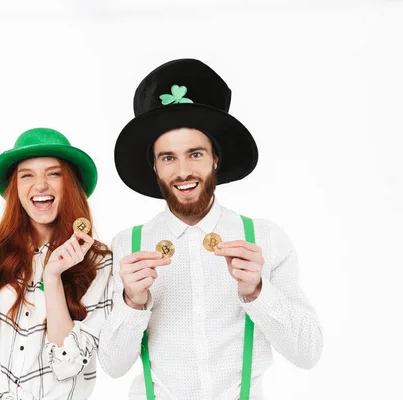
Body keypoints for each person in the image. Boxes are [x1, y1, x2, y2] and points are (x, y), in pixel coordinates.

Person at [98, 59, 323, 400]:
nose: (183, 171)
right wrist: (133, 301)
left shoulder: (265, 239)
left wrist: (257, 291)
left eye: (196, 154)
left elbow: (308, 353)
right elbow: (113, 366)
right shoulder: (127, 245)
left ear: (215, 159)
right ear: (155, 167)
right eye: (168, 158)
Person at [0, 127, 113, 400]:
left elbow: (69, 365)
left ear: (70, 184)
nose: (40, 186)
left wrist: (53, 276)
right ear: (15, 188)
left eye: (54, 173)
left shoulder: (99, 261)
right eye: (27, 175)